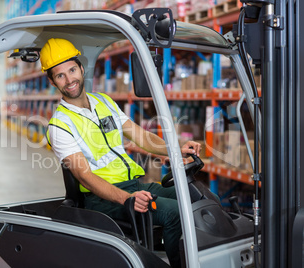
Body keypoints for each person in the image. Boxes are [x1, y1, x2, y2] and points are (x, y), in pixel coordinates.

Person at [42, 38, 202, 267]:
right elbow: (84, 176)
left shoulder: (103, 102)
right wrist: (126, 199)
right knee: (176, 212)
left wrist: (176, 148)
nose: (69, 80)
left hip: (134, 185)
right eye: (60, 75)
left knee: (195, 199)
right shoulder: (59, 125)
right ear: (52, 81)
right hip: (104, 198)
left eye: (72, 70)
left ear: (81, 68)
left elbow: (140, 136)